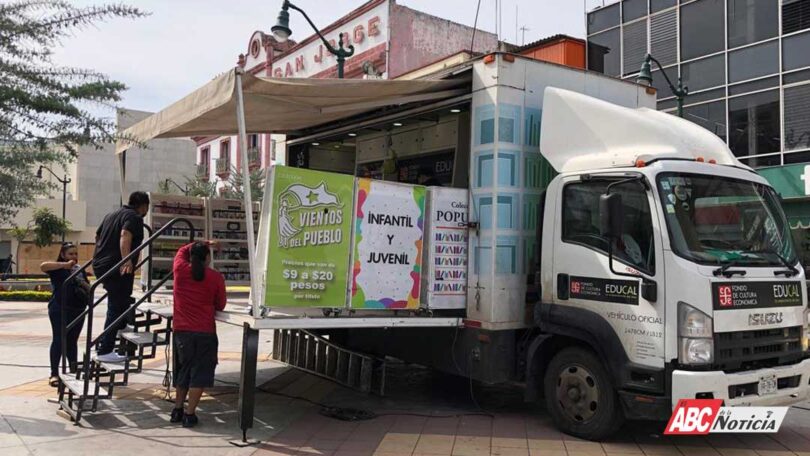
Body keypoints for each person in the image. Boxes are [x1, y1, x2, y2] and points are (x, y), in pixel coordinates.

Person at [169, 241, 226, 428]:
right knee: (199, 373)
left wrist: (205, 242)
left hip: (181, 332)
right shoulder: (215, 277)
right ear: (207, 258)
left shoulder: (179, 269)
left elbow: (181, 249)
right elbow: (221, 304)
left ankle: (177, 409)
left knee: (183, 370)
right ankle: (189, 413)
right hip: (205, 332)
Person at [93, 191, 149, 363]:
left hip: (101, 264)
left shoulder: (111, 215)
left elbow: (97, 235)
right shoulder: (135, 217)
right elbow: (125, 235)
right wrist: (126, 260)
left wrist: (102, 252)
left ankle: (120, 326)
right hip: (117, 266)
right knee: (116, 306)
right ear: (143, 205)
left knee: (119, 301)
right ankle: (105, 349)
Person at [41, 243, 88, 387]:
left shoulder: (79, 270)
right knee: (59, 339)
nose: (74, 257)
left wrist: (81, 282)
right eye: (70, 254)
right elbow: (43, 266)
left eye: (75, 254)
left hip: (78, 309)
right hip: (60, 309)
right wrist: (64, 265)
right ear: (63, 255)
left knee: (72, 341)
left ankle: (73, 370)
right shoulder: (57, 269)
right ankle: (54, 374)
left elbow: (88, 287)